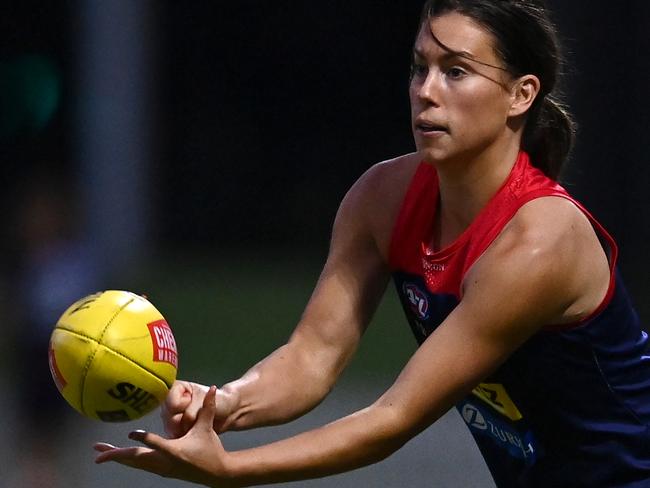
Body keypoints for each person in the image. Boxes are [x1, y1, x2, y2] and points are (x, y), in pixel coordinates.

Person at [94, 1, 650, 486]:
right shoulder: (383, 198)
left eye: (456, 71)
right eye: (419, 69)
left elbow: (393, 418)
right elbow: (312, 357)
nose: (425, 92)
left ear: (521, 94)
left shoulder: (538, 243)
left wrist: (231, 470)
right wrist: (224, 402)